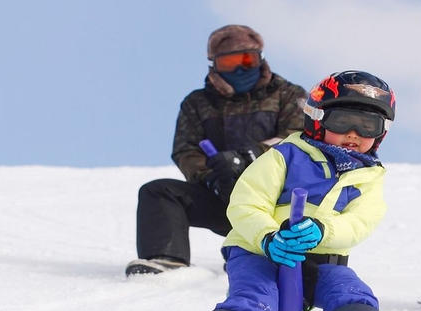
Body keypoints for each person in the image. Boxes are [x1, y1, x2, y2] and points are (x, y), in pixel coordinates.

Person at [156, 70, 404, 311]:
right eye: (342, 122)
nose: (354, 134)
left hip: (320, 257)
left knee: (352, 293)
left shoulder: (370, 177)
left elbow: (360, 223)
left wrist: (320, 230)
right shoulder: (286, 155)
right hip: (259, 251)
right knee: (257, 301)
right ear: (318, 119)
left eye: (368, 126)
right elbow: (245, 203)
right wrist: (268, 237)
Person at [125, 25, 306, 276]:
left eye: (247, 59)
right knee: (159, 192)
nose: (241, 69)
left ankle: (262, 259)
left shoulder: (289, 94)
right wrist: (209, 178)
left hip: (273, 199)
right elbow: (186, 149)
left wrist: (247, 157)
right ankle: (166, 259)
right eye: (230, 62)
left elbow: (298, 138)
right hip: (223, 195)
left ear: (260, 59)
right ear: (214, 64)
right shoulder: (198, 103)